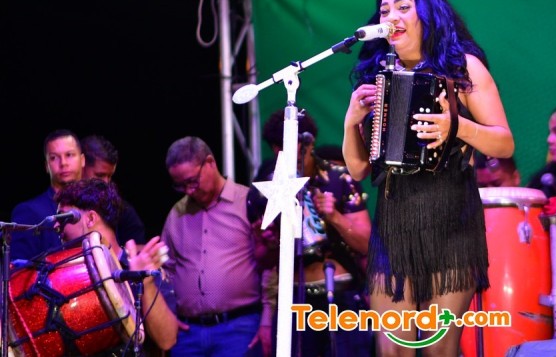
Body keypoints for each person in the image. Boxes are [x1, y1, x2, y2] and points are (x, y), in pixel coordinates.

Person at [343, 0, 514, 355]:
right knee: (393, 348)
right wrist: (350, 122)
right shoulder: (378, 76)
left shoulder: (463, 68)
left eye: (403, 7)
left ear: (428, 14)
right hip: (393, 224)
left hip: (450, 221)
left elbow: (504, 144)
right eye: (384, 10)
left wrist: (457, 126)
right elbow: (357, 170)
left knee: (439, 349)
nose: (391, 16)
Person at [249, 109, 372, 356]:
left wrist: (335, 217)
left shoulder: (340, 179)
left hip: (342, 295)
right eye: (279, 146)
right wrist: (270, 243)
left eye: (295, 143)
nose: (288, 151)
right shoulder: (264, 192)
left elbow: (367, 244)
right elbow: (261, 260)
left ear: (310, 141)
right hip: (294, 300)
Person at [161, 136, 268, 357]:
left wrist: (267, 320)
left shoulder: (246, 202)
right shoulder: (176, 214)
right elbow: (166, 270)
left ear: (210, 163)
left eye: (192, 181)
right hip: (187, 333)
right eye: (180, 185)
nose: (188, 191)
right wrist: (167, 315)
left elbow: (269, 264)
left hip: (239, 328)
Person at [55, 178, 178, 353]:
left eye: (63, 218)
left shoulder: (145, 267)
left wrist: (146, 283)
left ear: (90, 219)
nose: (56, 225)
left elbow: (167, 340)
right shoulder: (69, 276)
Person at [10, 129, 85, 261]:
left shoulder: (98, 205)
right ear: (46, 166)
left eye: (69, 155)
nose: (63, 163)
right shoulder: (29, 212)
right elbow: (18, 268)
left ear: (82, 160)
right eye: (54, 158)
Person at [81, 134, 147, 245]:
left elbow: (138, 248)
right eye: (100, 175)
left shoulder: (124, 212)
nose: (106, 182)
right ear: (81, 165)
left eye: (110, 176)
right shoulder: (62, 206)